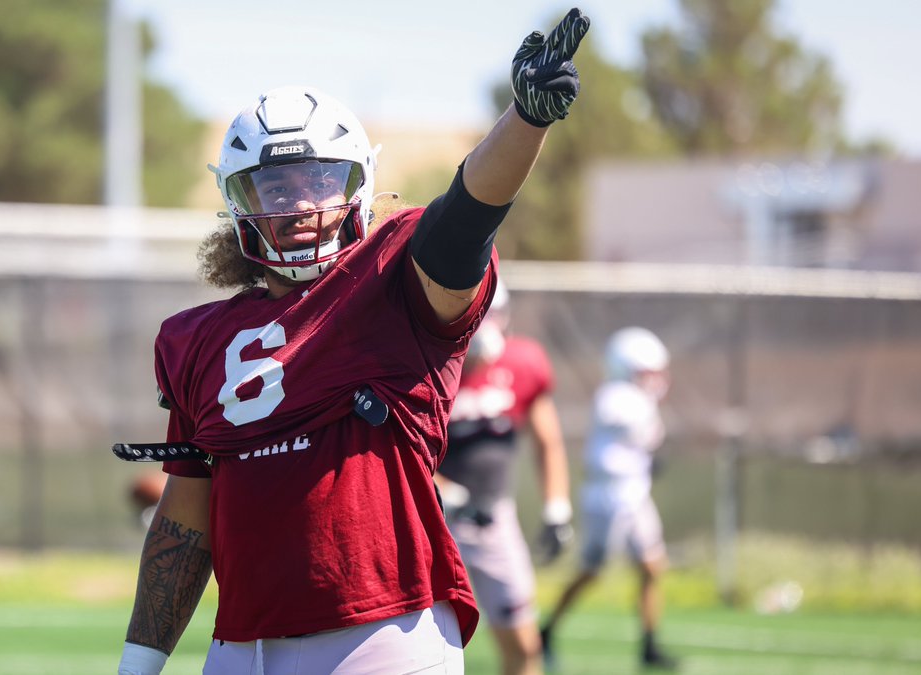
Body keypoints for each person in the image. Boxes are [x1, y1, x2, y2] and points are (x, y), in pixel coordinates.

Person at [116, 9, 590, 674]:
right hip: (237, 645)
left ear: (359, 184)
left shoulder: (395, 285)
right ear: (237, 200)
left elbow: (467, 216)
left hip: (380, 633)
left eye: (319, 181)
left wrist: (527, 118)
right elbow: (186, 515)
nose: (301, 204)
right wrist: (139, 664)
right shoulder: (195, 337)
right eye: (276, 186)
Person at [436, 285, 573, 675]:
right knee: (420, 647)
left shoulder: (523, 363)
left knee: (524, 645)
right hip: (430, 523)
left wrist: (557, 508)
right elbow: (398, 448)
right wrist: (450, 494)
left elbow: (548, 442)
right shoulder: (425, 364)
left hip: (493, 520)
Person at [539, 326, 679, 671]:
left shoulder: (637, 399)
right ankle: (547, 629)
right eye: (647, 371)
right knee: (591, 572)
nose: (655, 379)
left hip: (636, 493)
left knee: (651, 566)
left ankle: (649, 643)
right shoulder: (616, 397)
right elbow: (632, 427)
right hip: (608, 496)